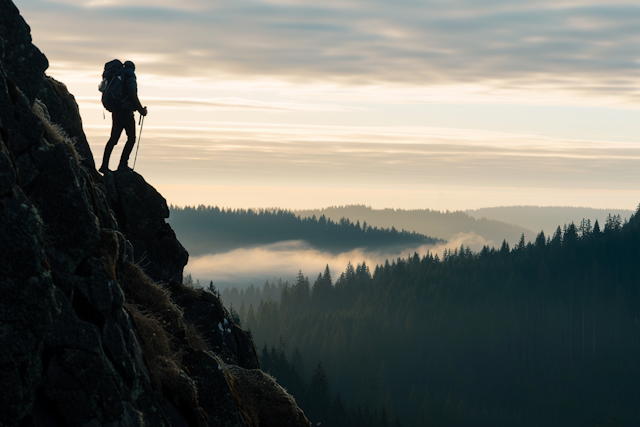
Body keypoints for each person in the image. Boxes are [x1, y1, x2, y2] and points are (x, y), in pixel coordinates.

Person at [99, 60, 147, 173]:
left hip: (116, 110)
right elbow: (133, 95)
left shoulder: (118, 77)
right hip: (126, 112)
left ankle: (104, 165)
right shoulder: (130, 77)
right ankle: (123, 165)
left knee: (113, 139)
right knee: (131, 138)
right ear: (133, 68)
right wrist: (141, 110)